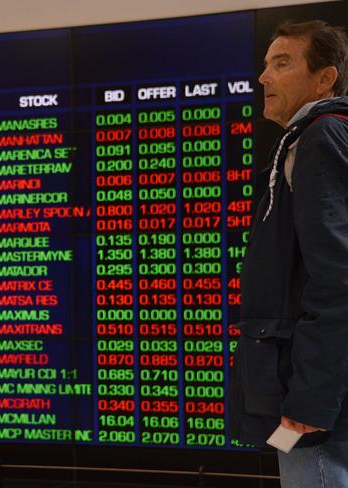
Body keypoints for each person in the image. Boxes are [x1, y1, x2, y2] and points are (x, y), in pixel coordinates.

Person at [229, 20, 348, 487]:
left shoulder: (320, 138)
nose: (265, 77)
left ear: (324, 78)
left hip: (318, 409)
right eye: (265, 66)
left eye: (282, 63)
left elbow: (339, 278)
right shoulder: (313, 140)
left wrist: (310, 401)